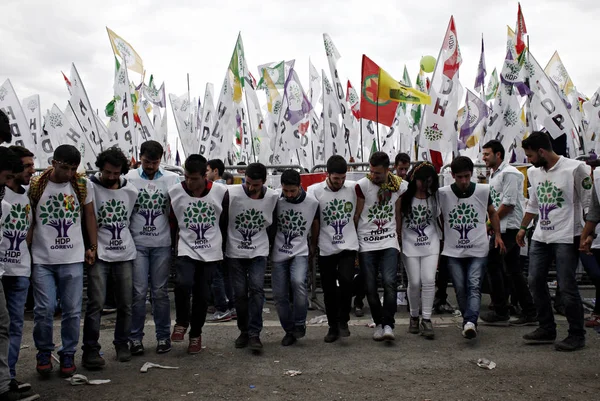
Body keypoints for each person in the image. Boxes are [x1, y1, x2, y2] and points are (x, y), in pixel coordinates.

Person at [517, 131, 590, 351]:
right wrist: (523, 228)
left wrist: (588, 234)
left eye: (530, 155)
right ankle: (546, 327)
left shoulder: (576, 169)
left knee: (567, 286)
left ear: (541, 151)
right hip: (541, 235)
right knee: (534, 280)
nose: (528, 160)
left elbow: (589, 204)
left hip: (567, 236)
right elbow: (533, 203)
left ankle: (577, 333)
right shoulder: (534, 172)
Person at [29, 145, 97, 377]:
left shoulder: (81, 185)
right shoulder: (37, 185)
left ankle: (68, 352)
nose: (68, 173)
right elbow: (30, 219)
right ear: (54, 162)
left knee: (72, 310)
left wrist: (92, 247)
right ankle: (44, 351)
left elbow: (89, 217)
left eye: (72, 169)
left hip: (72, 257)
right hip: (42, 258)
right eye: (64, 167)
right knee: (44, 309)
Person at [81, 147, 138, 369]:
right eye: (108, 172)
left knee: (126, 302)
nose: (112, 177)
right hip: (100, 253)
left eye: (116, 173)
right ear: (100, 169)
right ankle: (91, 349)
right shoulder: (89, 186)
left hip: (124, 252)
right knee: (96, 303)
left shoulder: (130, 191)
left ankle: (122, 343)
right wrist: (91, 247)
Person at [438, 156, 505, 339]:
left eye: (467, 176)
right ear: (452, 175)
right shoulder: (443, 193)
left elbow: (493, 212)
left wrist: (497, 235)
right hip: (453, 250)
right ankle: (468, 320)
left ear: (472, 174)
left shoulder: (483, 190)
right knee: (460, 287)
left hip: (478, 248)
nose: (464, 181)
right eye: (459, 177)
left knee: (474, 285)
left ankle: (470, 321)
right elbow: (439, 216)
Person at [169, 155, 228, 354]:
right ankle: (182, 321)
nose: (189, 182)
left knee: (202, 296)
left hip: (211, 251)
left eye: (194, 178)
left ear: (205, 176)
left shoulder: (220, 192)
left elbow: (225, 220)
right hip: (186, 247)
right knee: (183, 283)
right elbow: (172, 221)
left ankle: (196, 333)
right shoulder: (176, 192)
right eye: (186, 177)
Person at [126, 140, 180, 355]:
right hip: (137, 243)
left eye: (155, 162)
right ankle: (135, 338)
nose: (150, 166)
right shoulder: (128, 179)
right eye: (147, 162)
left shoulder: (172, 179)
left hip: (162, 244)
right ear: (140, 157)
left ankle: (163, 337)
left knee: (160, 292)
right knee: (138, 293)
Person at [480, 140, 537, 326]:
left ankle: (501, 310)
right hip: (500, 227)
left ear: (498, 155)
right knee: (512, 270)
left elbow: (509, 203)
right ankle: (528, 311)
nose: (483, 158)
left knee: (494, 264)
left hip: (509, 228)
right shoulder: (495, 174)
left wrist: (490, 221)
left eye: (487, 154)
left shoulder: (510, 173)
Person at [354, 152, 406, 341]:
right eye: (371, 171)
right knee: (370, 286)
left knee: (390, 282)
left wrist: (398, 236)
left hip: (389, 241)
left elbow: (398, 213)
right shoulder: (362, 186)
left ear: (387, 170)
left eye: (378, 173)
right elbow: (357, 215)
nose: (373, 176)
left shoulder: (399, 185)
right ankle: (378, 322)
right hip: (367, 243)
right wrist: (355, 245)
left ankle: (388, 324)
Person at [227, 163, 278, 351]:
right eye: (248, 183)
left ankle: (255, 332)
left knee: (256, 290)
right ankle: (244, 330)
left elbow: (273, 223)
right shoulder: (231, 193)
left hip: (259, 250)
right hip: (235, 251)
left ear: (263, 182)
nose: (251, 188)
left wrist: (270, 246)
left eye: (255, 185)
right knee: (239, 293)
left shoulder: (272, 197)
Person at [308, 156, 359, 343]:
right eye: (336, 179)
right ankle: (332, 326)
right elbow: (314, 220)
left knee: (346, 281)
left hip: (348, 244)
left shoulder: (353, 188)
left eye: (343, 178)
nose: (340, 182)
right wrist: (313, 245)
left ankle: (343, 320)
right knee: (328, 288)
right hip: (326, 245)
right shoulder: (314, 191)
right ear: (327, 175)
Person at [0, 146, 37, 397]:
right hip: (3, 269)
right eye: (26, 167)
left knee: (12, 326)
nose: (30, 172)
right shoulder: (2, 197)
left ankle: (8, 378)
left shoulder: (26, 196)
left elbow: (29, 228)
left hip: (20, 269)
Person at [270, 170, 319, 346]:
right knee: (279, 294)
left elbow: (315, 222)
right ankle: (289, 330)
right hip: (278, 252)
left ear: (300, 186)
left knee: (299, 283)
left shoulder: (312, 202)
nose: (289, 195)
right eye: (286, 191)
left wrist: (314, 243)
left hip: (300, 250)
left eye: (293, 191)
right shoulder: (275, 198)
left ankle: (299, 323)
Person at [400, 162, 440, 339]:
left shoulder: (435, 197)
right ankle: (414, 316)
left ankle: (427, 318)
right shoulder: (404, 197)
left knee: (429, 279)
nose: (425, 185)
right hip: (409, 245)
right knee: (414, 282)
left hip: (431, 243)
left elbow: (441, 219)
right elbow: (397, 220)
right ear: (413, 179)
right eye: (422, 181)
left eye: (429, 181)